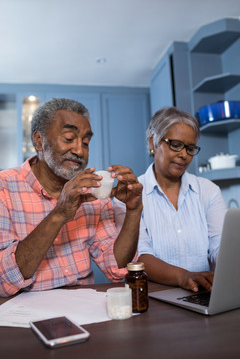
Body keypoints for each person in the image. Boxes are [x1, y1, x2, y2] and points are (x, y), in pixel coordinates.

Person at [0, 98, 143, 297]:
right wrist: (59, 213)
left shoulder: (92, 192)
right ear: (39, 141)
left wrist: (134, 210)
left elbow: (116, 268)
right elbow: (3, 281)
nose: (79, 151)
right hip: (24, 315)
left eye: (85, 142)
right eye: (69, 138)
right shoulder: (4, 187)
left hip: (83, 310)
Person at [114, 106, 227, 292]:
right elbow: (138, 256)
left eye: (190, 148)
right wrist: (184, 277)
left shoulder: (208, 191)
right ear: (153, 143)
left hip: (204, 293)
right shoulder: (129, 195)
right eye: (176, 144)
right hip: (153, 297)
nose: (184, 155)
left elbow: (219, 246)